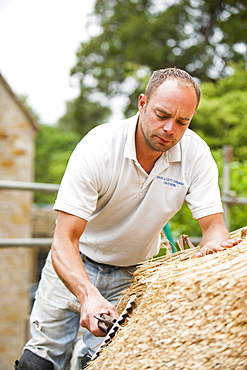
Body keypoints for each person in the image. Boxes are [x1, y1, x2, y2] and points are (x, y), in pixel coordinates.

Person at [17, 67, 241, 370]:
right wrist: (87, 295)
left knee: (103, 362)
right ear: (142, 103)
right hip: (73, 263)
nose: (170, 129)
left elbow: (214, 226)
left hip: (132, 275)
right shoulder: (99, 148)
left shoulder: (196, 155)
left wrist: (214, 247)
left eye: (182, 121)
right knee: (39, 360)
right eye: (162, 115)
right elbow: (63, 240)